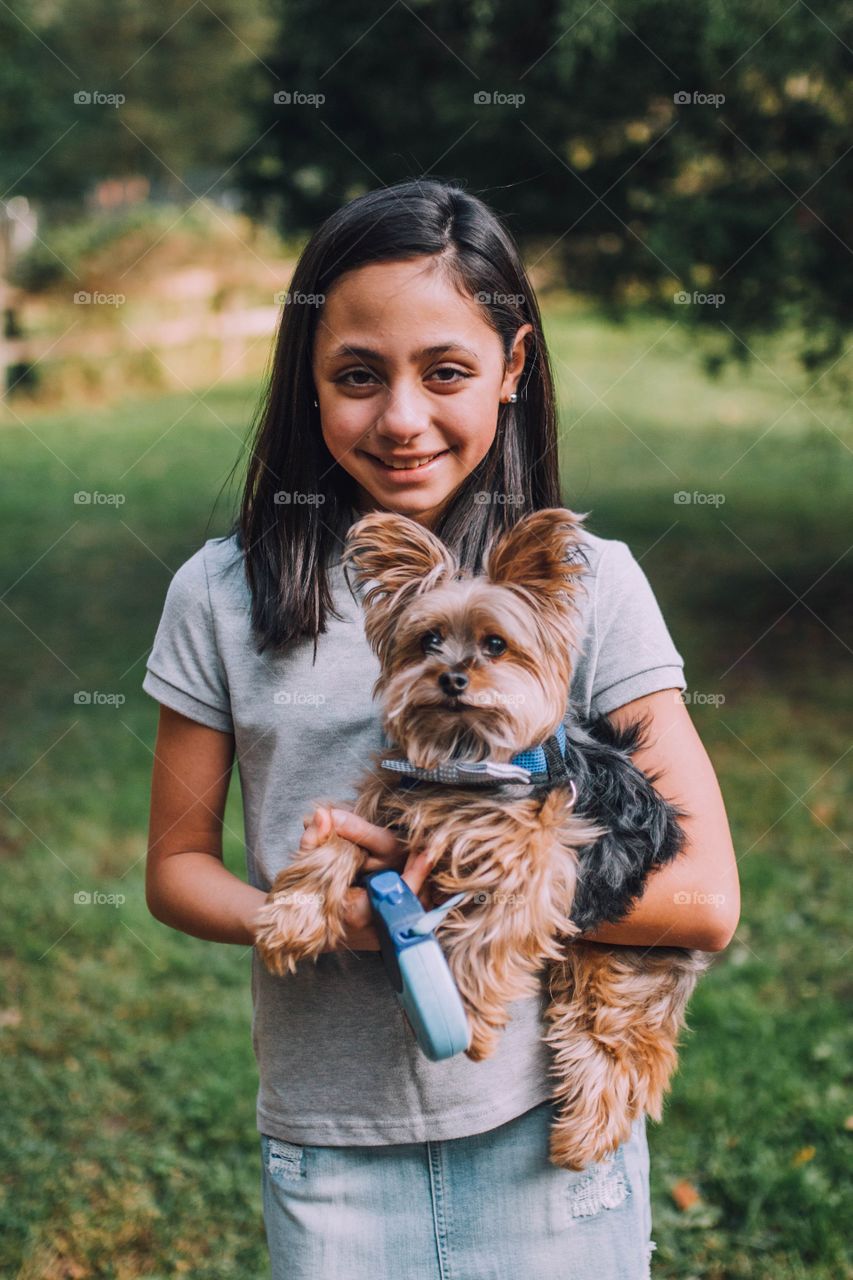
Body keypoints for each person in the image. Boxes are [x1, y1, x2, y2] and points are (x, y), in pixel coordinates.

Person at [143, 178, 740, 1280]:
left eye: (447, 371)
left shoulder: (589, 585)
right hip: (332, 1141)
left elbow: (705, 902)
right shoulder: (223, 593)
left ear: (514, 368)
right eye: (357, 376)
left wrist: (475, 894)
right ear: (306, 380)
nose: (403, 417)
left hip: (544, 1137)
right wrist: (324, 915)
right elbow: (177, 867)